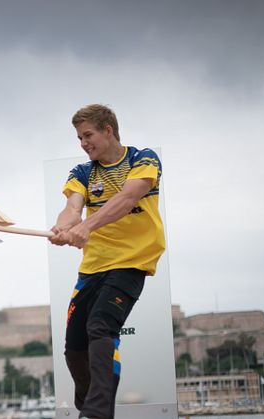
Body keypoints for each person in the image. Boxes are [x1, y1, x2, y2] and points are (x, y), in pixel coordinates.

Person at [49, 104, 165, 419]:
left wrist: (85, 227)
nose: (83, 143)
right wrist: (64, 226)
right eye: (79, 138)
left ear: (108, 130)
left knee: (101, 327)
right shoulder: (83, 173)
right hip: (92, 268)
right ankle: (89, 408)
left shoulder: (143, 159)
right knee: (74, 347)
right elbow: (72, 207)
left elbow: (128, 198)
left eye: (88, 135)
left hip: (130, 263)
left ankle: (97, 414)